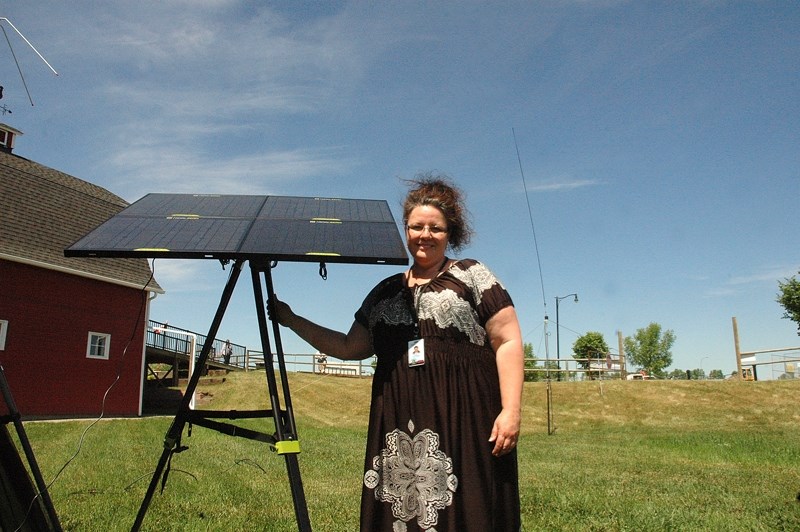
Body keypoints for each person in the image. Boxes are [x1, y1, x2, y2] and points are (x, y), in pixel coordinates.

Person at [272, 174, 524, 531]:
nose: (425, 235)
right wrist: (292, 320)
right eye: (417, 227)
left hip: (467, 420)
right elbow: (348, 347)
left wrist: (511, 410)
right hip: (402, 423)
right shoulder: (385, 292)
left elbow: (508, 340)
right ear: (405, 230)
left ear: (450, 232)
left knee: (472, 508)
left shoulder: (472, 275)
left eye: (435, 228)